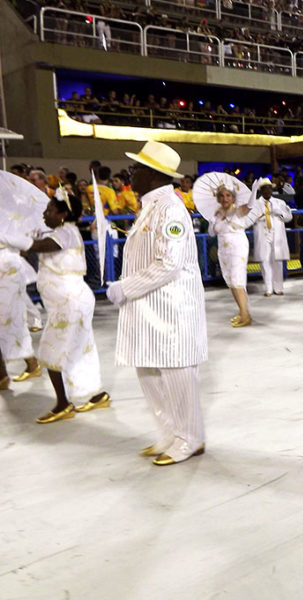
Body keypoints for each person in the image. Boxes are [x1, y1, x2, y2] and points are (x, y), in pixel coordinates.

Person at [106, 141, 208, 466]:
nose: (130, 175)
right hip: (148, 307)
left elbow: (169, 263)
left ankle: (190, 438)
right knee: (147, 369)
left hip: (171, 308)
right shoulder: (149, 205)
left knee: (177, 373)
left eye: (136, 169)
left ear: (152, 175)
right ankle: (170, 432)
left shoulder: (171, 209)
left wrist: (125, 288)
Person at [25, 194, 110, 423]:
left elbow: (41, 246)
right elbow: (34, 248)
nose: (45, 213)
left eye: (50, 209)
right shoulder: (59, 231)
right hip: (70, 301)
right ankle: (98, 395)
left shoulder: (66, 232)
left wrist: (16, 238)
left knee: (50, 349)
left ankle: (63, 405)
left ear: (63, 214)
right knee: (82, 348)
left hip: (70, 302)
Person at [202, 174, 255, 327]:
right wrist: (213, 222)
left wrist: (254, 192)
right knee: (230, 281)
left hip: (237, 247)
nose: (225, 198)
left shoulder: (238, 211)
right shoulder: (217, 214)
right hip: (223, 249)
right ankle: (242, 311)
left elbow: (250, 207)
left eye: (228, 195)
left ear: (233, 197)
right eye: (222, 196)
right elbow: (212, 233)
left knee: (238, 280)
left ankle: (246, 316)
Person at [0, 229, 39, 389]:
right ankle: (3, 374)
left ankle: (29, 364)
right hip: (8, 263)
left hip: (6, 264)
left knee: (12, 318)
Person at [250, 178, 293, 296]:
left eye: (269, 188)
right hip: (263, 235)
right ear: (261, 191)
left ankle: (278, 287)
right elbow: (249, 219)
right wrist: (260, 216)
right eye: (264, 189)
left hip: (276, 234)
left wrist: (278, 212)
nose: (267, 191)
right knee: (265, 261)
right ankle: (268, 288)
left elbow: (289, 217)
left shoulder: (280, 202)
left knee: (277, 261)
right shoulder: (255, 204)